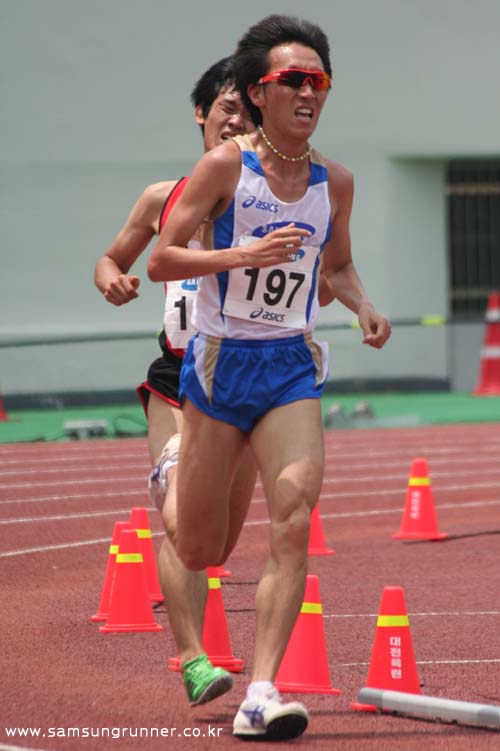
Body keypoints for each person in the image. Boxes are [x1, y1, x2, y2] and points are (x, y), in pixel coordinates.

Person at [148, 13, 391, 741]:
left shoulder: (334, 181)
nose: (310, 90)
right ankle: (170, 473)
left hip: (289, 363)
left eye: (319, 80)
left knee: (293, 515)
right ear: (259, 92)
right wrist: (239, 256)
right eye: (294, 79)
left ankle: (260, 690)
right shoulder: (226, 168)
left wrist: (363, 304)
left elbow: (337, 263)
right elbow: (161, 259)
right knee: (201, 550)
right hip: (220, 365)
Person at [94, 58, 258, 707]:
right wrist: (111, 277)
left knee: (214, 544)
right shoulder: (163, 198)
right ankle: (193, 659)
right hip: (175, 377)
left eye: (249, 108)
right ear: (201, 112)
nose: (236, 117)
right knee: (181, 516)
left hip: (243, 378)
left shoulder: (268, 200)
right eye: (226, 105)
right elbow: (114, 256)